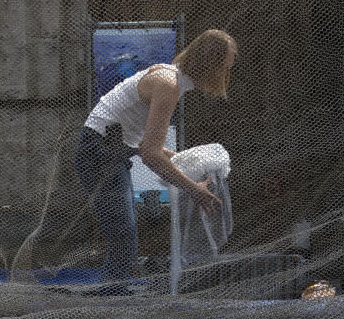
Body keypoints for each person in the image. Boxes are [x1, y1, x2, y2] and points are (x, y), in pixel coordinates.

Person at [75, 29, 237, 295]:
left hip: (113, 151)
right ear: (209, 64)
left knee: (124, 234)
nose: (225, 76)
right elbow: (150, 153)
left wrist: (187, 162)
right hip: (100, 152)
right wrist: (193, 189)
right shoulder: (168, 83)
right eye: (224, 67)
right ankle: (108, 299)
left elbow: (146, 145)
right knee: (123, 234)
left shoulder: (171, 78)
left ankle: (112, 293)